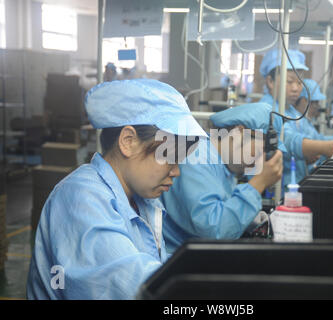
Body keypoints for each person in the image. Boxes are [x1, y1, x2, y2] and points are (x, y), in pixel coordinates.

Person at [26, 79, 207, 299]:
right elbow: (131, 285)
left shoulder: (143, 199)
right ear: (128, 141)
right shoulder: (80, 199)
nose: (176, 171)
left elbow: (157, 267)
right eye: (169, 156)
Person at [161, 103, 283, 254]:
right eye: (263, 149)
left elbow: (224, 210)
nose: (262, 159)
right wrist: (259, 183)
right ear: (239, 133)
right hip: (178, 260)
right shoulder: (197, 158)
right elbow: (215, 230)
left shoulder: (226, 166)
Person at [259, 48, 333, 187]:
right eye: (289, 81)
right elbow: (286, 141)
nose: (295, 88)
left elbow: (314, 137)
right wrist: (324, 147)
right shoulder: (264, 109)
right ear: (270, 81)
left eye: (299, 82)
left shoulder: (292, 111)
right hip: (278, 190)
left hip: (298, 183)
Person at [295, 79, 333, 172]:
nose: (317, 107)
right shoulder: (296, 120)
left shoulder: (304, 120)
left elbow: (318, 139)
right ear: (304, 101)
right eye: (314, 103)